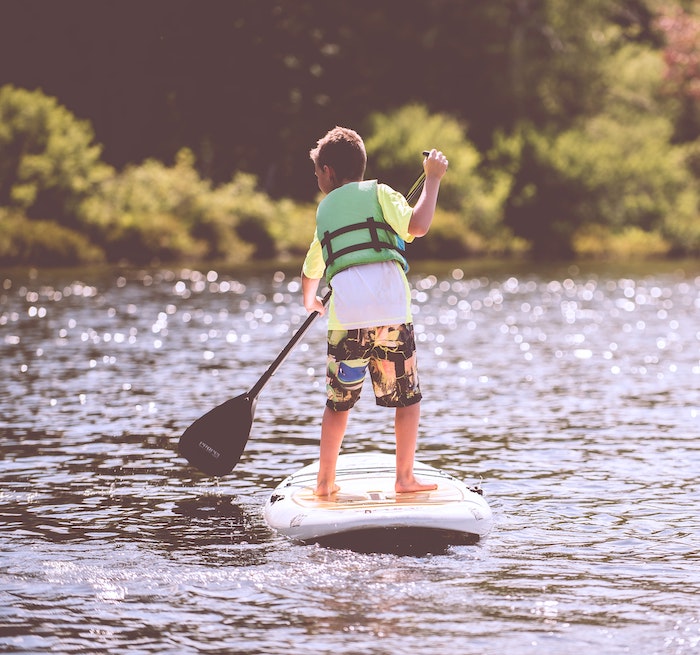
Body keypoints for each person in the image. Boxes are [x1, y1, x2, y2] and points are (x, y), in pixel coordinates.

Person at [301, 126, 448, 497]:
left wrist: (310, 300)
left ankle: (324, 483)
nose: (317, 178)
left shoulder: (324, 211)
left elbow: (311, 269)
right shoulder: (381, 193)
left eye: (318, 171)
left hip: (347, 322)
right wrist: (432, 181)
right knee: (407, 399)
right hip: (392, 317)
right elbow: (419, 224)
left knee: (338, 405)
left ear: (330, 172)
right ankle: (404, 479)